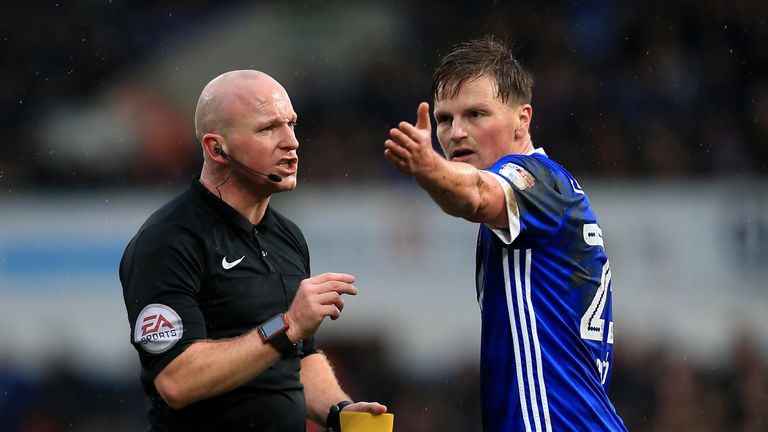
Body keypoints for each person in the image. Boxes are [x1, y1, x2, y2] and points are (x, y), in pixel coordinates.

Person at [120, 69, 387, 431]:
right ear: (217, 149)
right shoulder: (169, 241)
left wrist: (339, 411)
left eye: (291, 124)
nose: (291, 142)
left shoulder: (287, 236)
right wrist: (289, 323)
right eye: (268, 129)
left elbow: (299, 358)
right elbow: (176, 380)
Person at [384, 36, 627, 431]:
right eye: (445, 119)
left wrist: (427, 167)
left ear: (523, 120)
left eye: (476, 114)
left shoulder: (534, 179)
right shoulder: (547, 197)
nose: (455, 133)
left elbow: (477, 195)